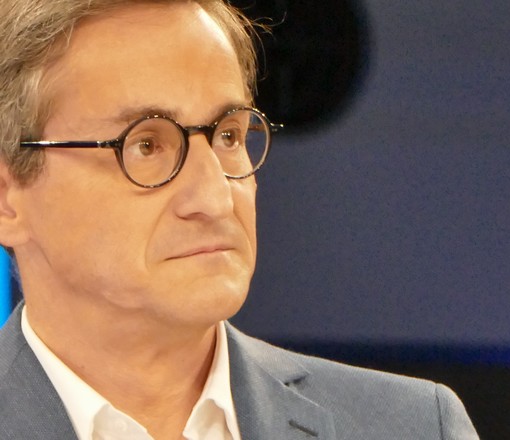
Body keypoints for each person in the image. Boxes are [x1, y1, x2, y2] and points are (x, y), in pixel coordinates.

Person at [0, 1, 479, 439]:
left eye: (228, 136)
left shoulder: (417, 426)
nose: (215, 197)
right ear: (7, 199)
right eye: (146, 145)